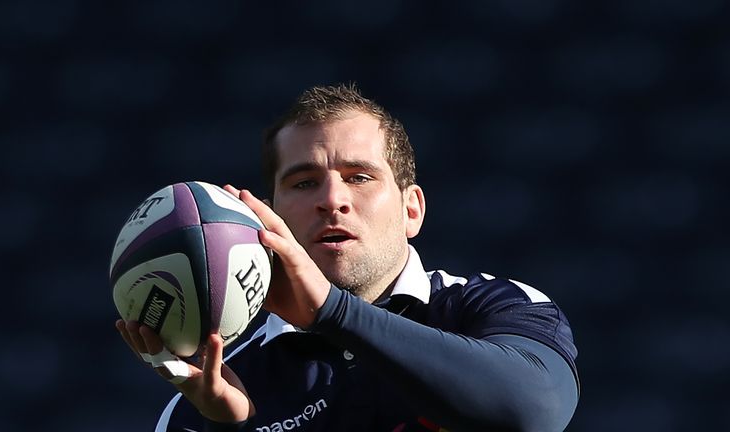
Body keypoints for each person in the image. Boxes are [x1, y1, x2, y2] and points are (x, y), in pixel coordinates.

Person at [116, 84, 580, 431]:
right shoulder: (213, 391)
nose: (332, 199)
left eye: (359, 177)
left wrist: (331, 311)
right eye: (303, 182)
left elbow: (532, 411)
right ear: (268, 216)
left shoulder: (490, 306)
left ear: (411, 209)